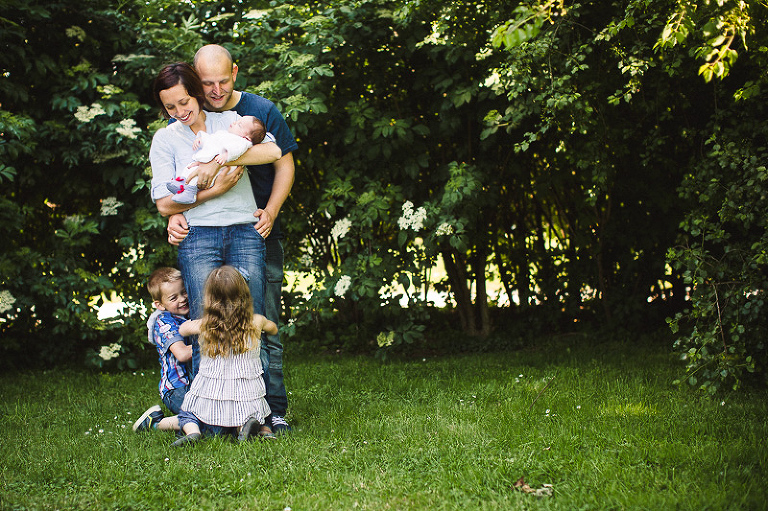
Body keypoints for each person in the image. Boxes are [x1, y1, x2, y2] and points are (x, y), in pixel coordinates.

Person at [167, 45, 298, 434]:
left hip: (255, 226)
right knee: (208, 321)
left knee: (261, 320)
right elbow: (176, 173)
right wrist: (176, 212)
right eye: (207, 83)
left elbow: (283, 160)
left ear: (236, 72)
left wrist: (271, 211)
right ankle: (205, 412)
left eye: (223, 80)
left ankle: (272, 410)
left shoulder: (259, 110)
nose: (216, 89)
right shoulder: (191, 114)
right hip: (206, 227)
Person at [149, 61, 282, 379]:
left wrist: (226, 153)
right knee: (204, 328)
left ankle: (258, 413)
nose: (179, 111)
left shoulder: (232, 122)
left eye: (184, 102)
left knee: (250, 323)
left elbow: (273, 151)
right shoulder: (165, 140)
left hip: (244, 229)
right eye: (170, 106)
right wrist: (215, 188)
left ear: (197, 93)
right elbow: (164, 204)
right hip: (198, 236)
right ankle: (206, 415)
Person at [172, 265, 278, 447]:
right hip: (247, 402)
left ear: (209, 299)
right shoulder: (256, 321)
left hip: (211, 408)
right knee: (259, 411)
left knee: (188, 414)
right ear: (244, 296)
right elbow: (273, 328)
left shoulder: (204, 325)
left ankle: (194, 432)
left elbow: (182, 329)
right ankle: (255, 429)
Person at [167, 115, 274, 204]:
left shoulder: (242, 142)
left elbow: (236, 150)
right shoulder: (225, 135)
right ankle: (181, 184)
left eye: (239, 125)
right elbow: (212, 139)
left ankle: (189, 192)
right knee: (190, 167)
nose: (235, 123)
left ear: (246, 137)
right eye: (237, 121)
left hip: (221, 170)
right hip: (206, 161)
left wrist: (226, 155)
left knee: (198, 174)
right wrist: (201, 139)